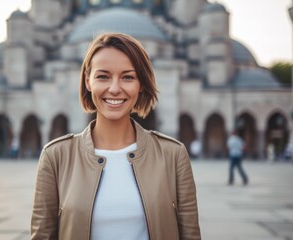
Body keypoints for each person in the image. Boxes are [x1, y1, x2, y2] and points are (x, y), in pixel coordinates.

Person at [31, 33, 201, 240]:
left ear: (141, 84)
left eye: (128, 77)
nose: (114, 89)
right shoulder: (56, 156)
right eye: (103, 76)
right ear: (88, 81)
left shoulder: (173, 155)